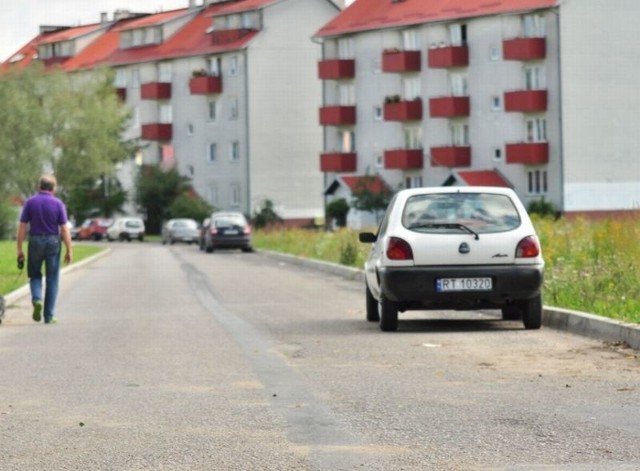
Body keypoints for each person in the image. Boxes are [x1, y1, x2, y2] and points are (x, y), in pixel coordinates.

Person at [16, 175, 73, 324]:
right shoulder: (58, 203)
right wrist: (69, 249)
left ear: (39, 186)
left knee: (35, 275)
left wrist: (19, 249)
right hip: (53, 241)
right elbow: (64, 229)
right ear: (53, 189)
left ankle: (37, 300)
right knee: (52, 279)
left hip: (35, 241)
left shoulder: (30, 203)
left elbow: (22, 226)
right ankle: (49, 316)